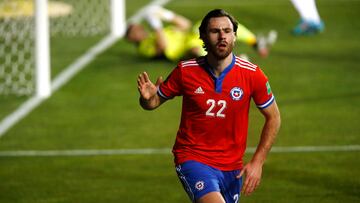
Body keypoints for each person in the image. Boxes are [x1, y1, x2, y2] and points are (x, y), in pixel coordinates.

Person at [137, 8, 281, 203]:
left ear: (235, 36)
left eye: (227, 31)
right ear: (203, 37)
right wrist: (147, 98)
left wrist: (258, 161)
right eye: (215, 31)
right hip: (193, 158)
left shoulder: (253, 75)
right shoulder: (185, 72)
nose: (222, 36)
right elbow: (153, 103)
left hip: (232, 166)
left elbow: (274, 117)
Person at [126, 6, 276, 61]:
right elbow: (162, 47)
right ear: (131, 38)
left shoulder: (157, 33)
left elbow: (185, 24)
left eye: (138, 27)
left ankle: (254, 41)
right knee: (196, 50)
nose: (139, 29)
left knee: (221, 22)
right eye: (134, 31)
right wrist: (156, 25)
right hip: (184, 48)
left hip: (192, 35)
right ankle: (232, 61)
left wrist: (167, 15)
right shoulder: (143, 48)